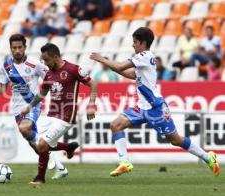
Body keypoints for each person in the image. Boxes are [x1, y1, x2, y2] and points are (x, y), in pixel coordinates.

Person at [90, 27, 220, 177]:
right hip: (141, 107)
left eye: (135, 42)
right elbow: (130, 74)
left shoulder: (144, 55)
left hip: (155, 108)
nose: (133, 45)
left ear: (143, 43)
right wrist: (110, 66)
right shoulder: (143, 59)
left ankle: (207, 156)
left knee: (176, 140)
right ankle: (124, 162)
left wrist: (102, 59)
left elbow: (120, 66)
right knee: (116, 125)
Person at [0, 34, 74, 180]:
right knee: (35, 145)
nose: (17, 50)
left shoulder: (35, 64)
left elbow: (50, 77)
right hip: (17, 109)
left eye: (20, 47)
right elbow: (2, 89)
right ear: (11, 48)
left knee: (24, 129)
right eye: (14, 48)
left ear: (25, 48)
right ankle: (64, 157)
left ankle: (52, 161)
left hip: (33, 104)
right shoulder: (6, 66)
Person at [21, 43, 97, 186]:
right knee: (39, 144)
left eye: (47, 60)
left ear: (55, 57)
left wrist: (92, 104)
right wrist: (29, 106)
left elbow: (93, 84)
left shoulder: (73, 69)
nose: (45, 64)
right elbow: (42, 94)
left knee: (43, 144)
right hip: (52, 114)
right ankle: (68, 147)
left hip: (67, 115)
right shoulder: (49, 73)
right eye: (43, 61)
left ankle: (40, 178)